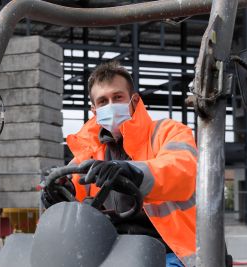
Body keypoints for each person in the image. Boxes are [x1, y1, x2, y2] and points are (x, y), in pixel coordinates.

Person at [42, 61, 196, 267]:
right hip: (109, 254)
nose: (111, 105)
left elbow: (182, 171)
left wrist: (132, 172)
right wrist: (55, 196)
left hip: (171, 252)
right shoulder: (87, 156)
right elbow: (69, 209)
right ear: (94, 109)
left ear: (134, 100)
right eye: (103, 101)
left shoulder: (167, 132)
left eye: (117, 97)